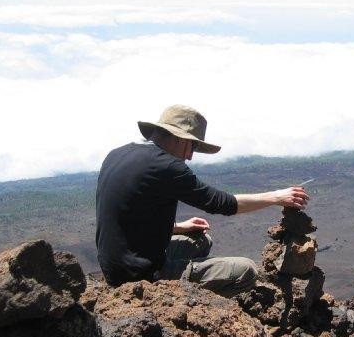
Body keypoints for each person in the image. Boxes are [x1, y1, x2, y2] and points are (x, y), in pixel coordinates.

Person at [95, 104, 309, 295]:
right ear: (180, 138)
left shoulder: (117, 154)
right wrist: (276, 197)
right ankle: (185, 304)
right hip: (141, 276)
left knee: (199, 240)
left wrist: (178, 228)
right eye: (193, 146)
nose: (190, 156)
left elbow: (127, 215)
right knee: (247, 271)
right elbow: (222, 203)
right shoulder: (167, 166)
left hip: (114, 266)